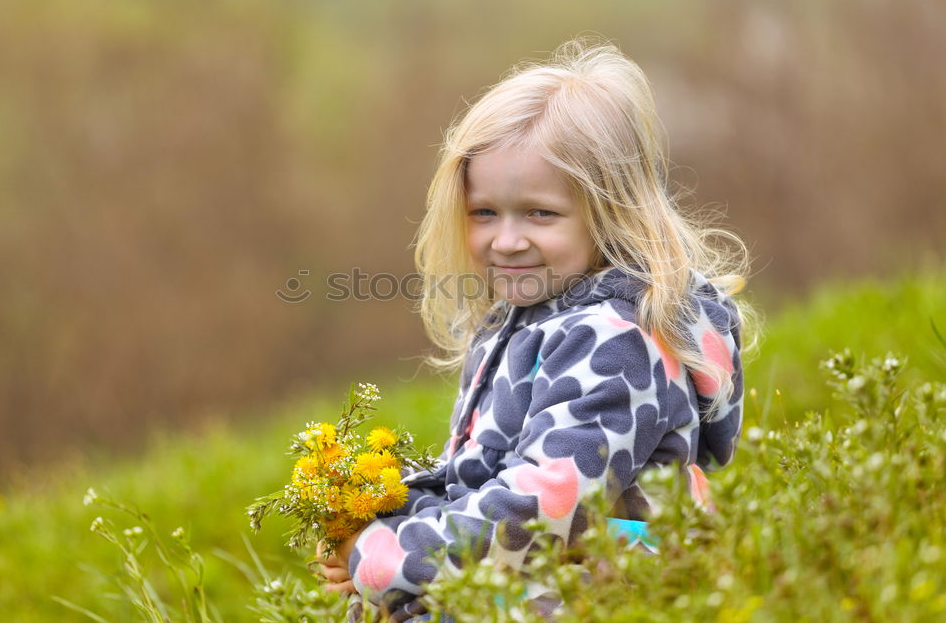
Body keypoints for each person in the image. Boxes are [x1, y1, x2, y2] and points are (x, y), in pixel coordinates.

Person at [317, 38, 752, 621]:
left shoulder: (618, 342)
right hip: (548, 580)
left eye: (540, 213)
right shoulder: (528, 319)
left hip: (610, 593)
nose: (507, 240)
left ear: (610, 209)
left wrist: (384, 558)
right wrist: (385, 517)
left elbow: (543, 507)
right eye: (484, 213)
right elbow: (483, 474)